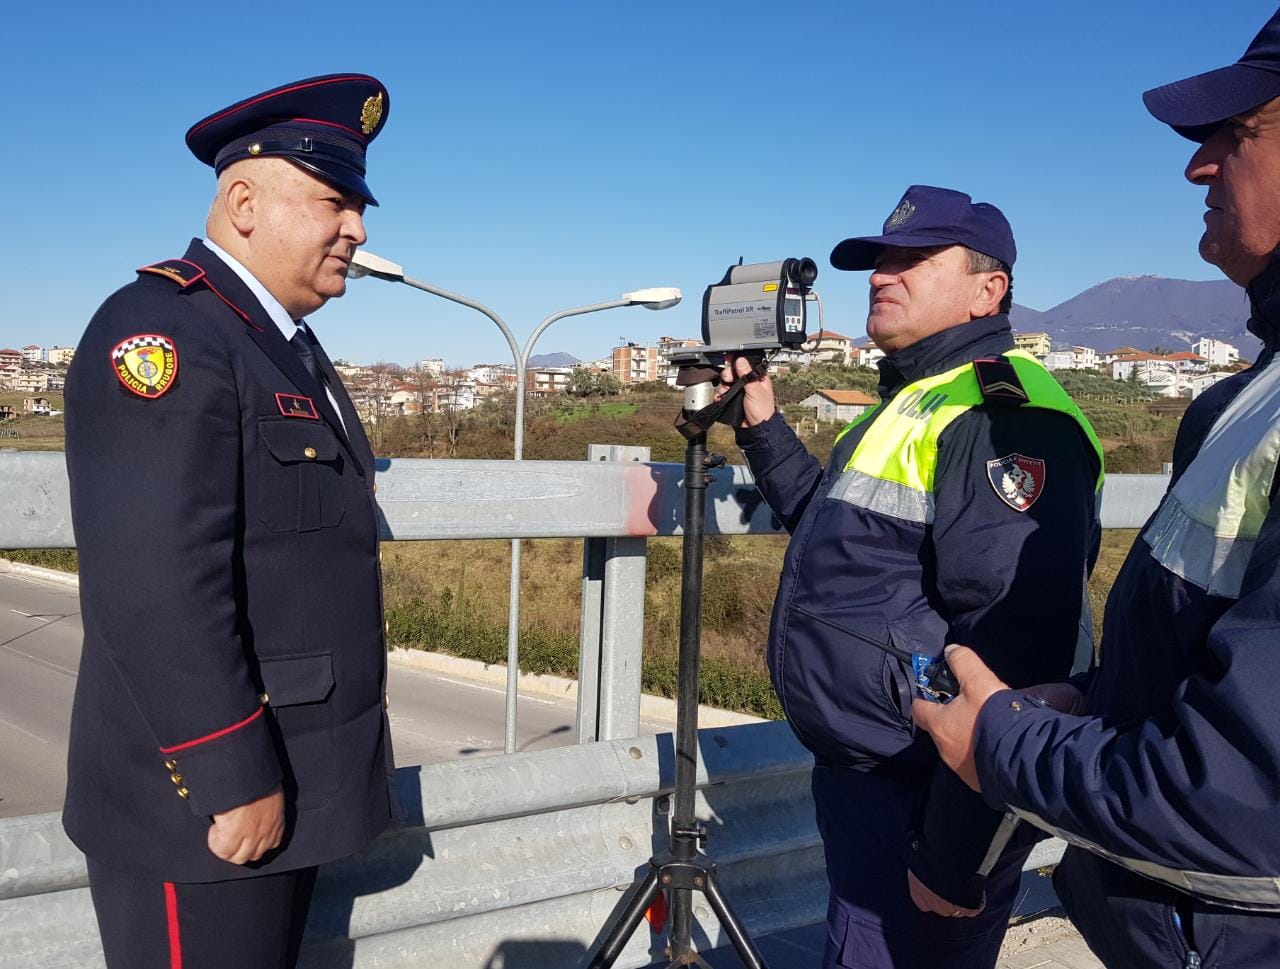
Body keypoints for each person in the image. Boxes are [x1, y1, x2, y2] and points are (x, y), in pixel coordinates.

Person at [914, 10, 1280, 967]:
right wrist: (1095, 698)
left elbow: (1232, 792)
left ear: (990, 290)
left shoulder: (1011, 410)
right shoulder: (1246, 399)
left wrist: (1000, 744)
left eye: (1236, 133)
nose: (1197, 168)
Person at [718, 186, 1104, 968]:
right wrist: (761, 422)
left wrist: (955, 853)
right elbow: (841, 540)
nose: (881, 275)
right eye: (879, 260)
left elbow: (1021, 663)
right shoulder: (910, 401)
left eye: (914, 259)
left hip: (930, 801)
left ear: (986, 289)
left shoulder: (1003, 417)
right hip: (872, 784)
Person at [62, 74, 397, 969]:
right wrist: (232, 774)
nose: (358, 228)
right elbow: (151, 583)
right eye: (335, 200)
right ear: (244, 202)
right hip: (204, 811)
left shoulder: (274, 340)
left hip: (278, 790)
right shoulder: (163, 335)